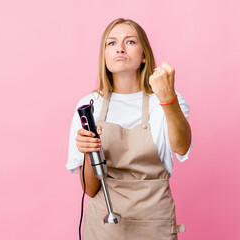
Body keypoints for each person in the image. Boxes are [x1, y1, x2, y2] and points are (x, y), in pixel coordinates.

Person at [66, 18, 192, 240]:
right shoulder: (88, 106)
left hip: (155, 223)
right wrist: (89, 152)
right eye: (111, 43)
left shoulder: (165, 100)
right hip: (104, 225)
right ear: (104, 56)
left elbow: (182, 147)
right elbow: (90, 189)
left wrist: (167, 98)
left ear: (144, 56)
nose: (120, 48)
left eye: (130, 42)